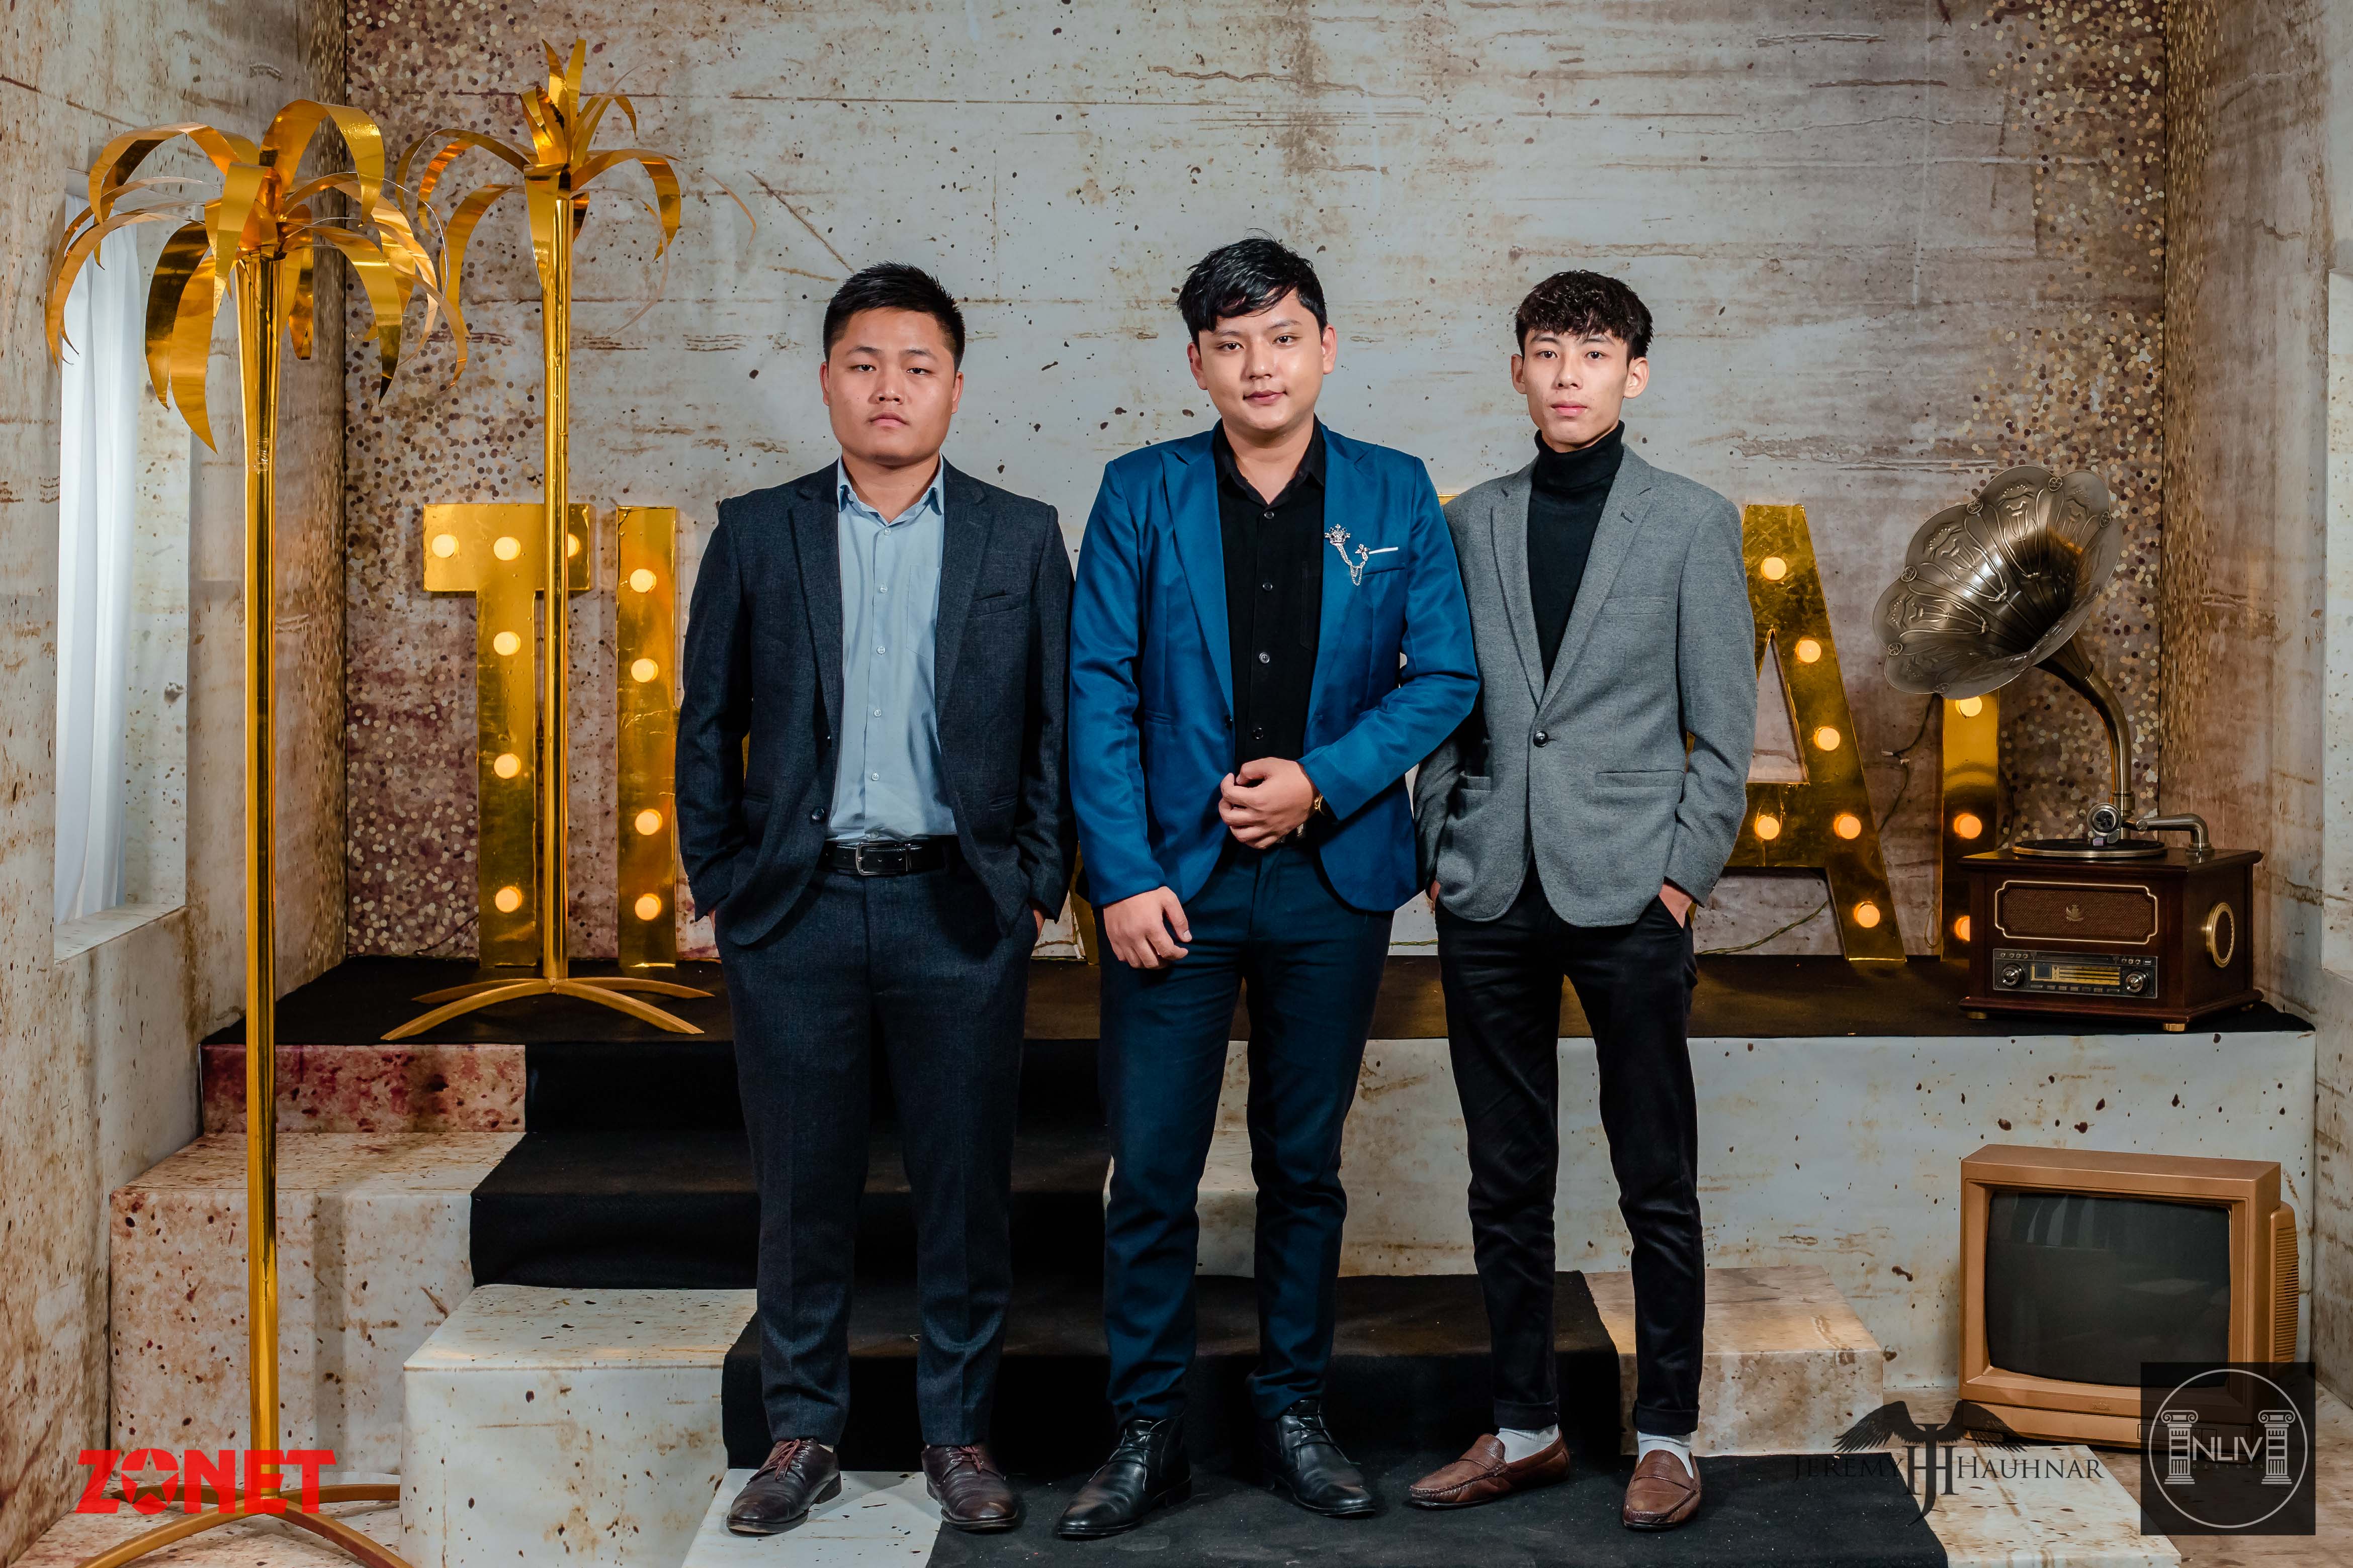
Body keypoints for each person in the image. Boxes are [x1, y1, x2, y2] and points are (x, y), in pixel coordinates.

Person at [1058, 237, 1478, 1539]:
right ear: (1198, 364)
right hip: (1169, 891)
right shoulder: (1139, 492)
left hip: (1330, 884)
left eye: (1283, 338)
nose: (1260, 366)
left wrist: (1323, 782)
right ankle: (1148, 1433)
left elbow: (1445, 677)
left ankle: (1295, 1414)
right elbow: (1097, 689)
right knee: (1153, 1175)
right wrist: (1122, 876)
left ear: (1326, 349)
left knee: (1304, 1169)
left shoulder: (1397, 492)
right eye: (1231, 345)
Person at [675, 263, 1074, 1537]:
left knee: (964, 1187)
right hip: (796, 913)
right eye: (864, 364)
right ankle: (802, 1434)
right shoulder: (760, 531)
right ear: (827, 381)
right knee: (802, 1189)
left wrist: (1037, 885)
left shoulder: (1020, 536)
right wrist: (722, 883)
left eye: (916, 366)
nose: (889, 387)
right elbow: (706, 720)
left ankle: (958, 1434)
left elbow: (1055, 726)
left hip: (959, 910)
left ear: (955, 386)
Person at [1405, 271, 1754, 1531]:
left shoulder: (1693, 523)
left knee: (1656, 1177)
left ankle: (1666, 1436)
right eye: (1547, 351)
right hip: (1490, 890)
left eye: (1594, 354)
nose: (1568, 374)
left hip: (1631, 893)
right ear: (1518, 371)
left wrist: (1678, 883)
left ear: (1634, 375)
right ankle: (1525, 1428)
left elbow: (1725, 734)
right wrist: (1441, 844)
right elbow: (1443, 701)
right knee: (1505, 1177)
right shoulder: (1468, 522)